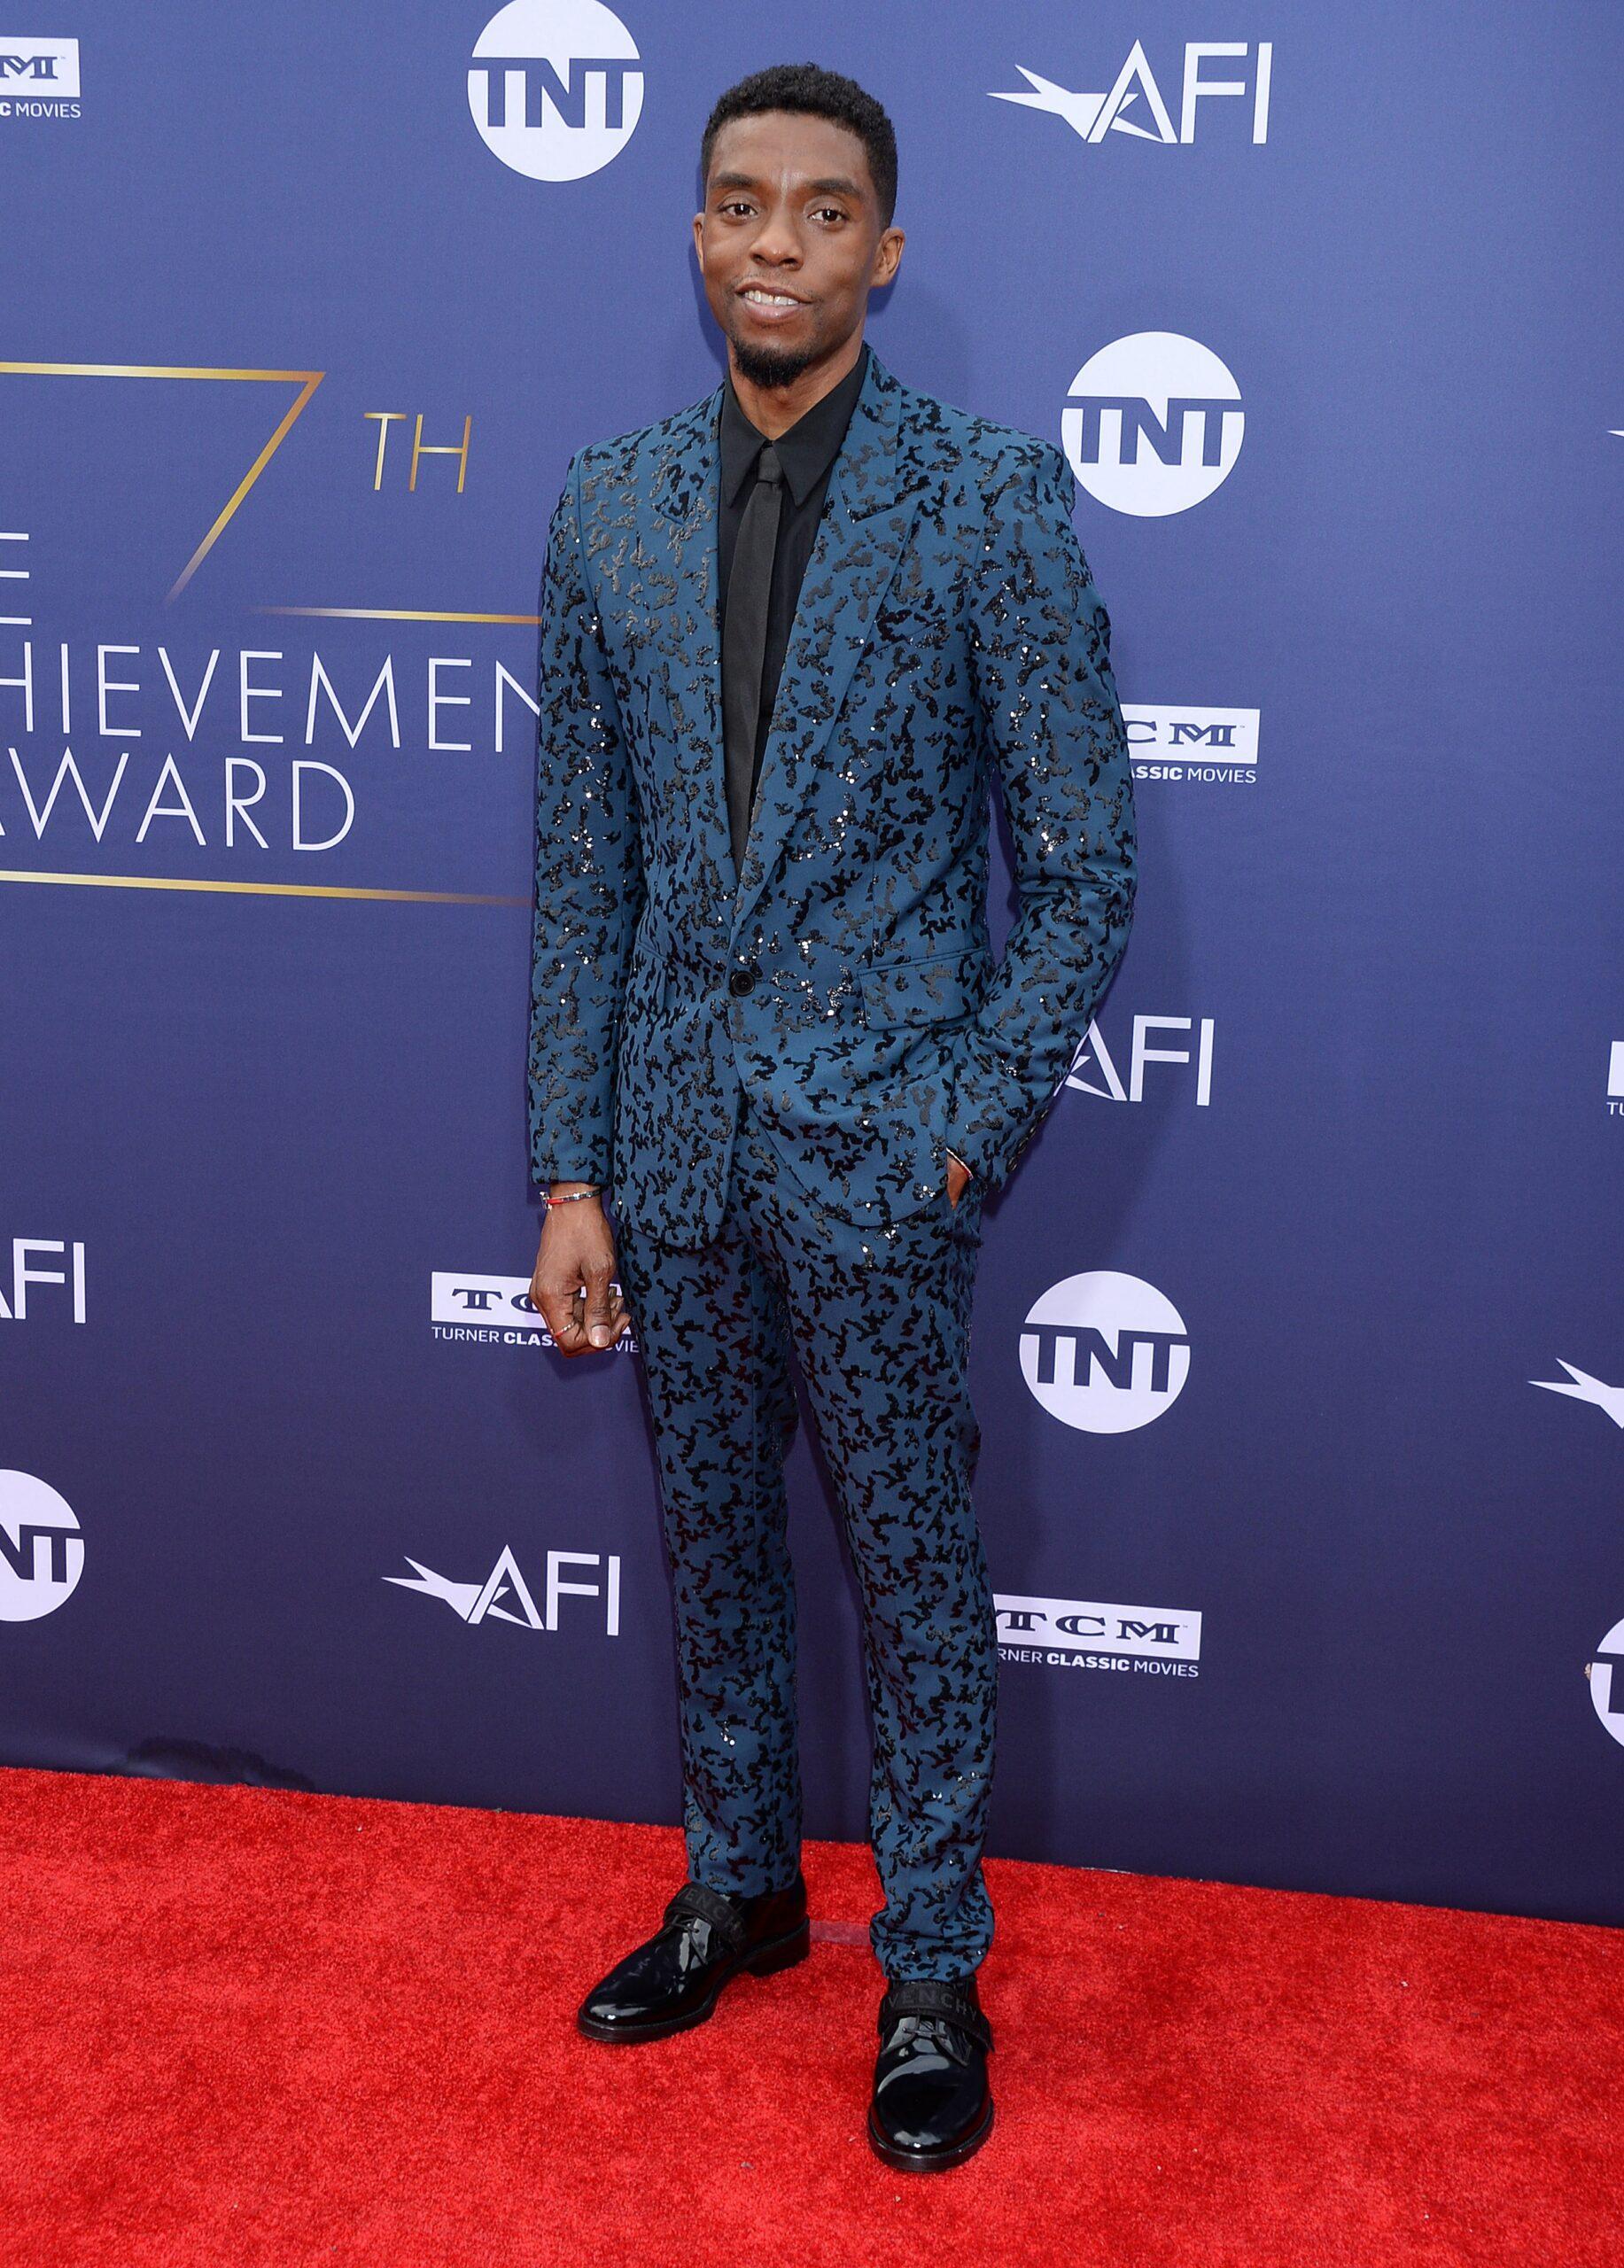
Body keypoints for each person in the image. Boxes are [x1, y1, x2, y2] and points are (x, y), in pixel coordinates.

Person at [526, 61, 1137, 2173]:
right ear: (691, 234)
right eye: (734, 202)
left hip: (881, 1156)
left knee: (909, 1563)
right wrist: (568, 1164)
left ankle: (931, 1963)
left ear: (883, 247)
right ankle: (740, 1883)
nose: (770, 239)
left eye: (817, 207)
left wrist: (956, 1132)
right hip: (670, 1144)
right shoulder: (604, 505)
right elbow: (584, 871)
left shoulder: (986, 500)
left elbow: (1075, 875)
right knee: (709, 1547)